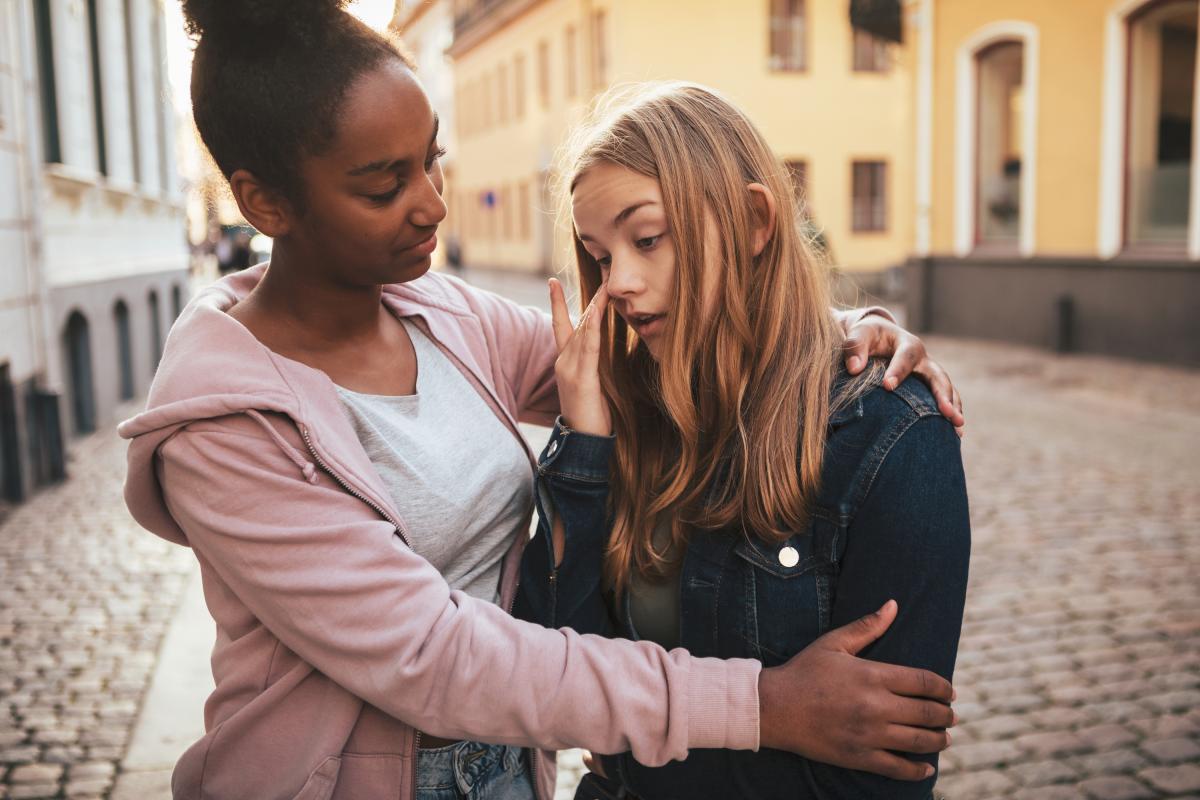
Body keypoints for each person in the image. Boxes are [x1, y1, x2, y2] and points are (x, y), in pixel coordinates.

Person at [120, 3, 965, 798]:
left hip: (511, 769)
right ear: (265, 201)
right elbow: (441, 659)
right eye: (384, 185)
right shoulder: (223, 430)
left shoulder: (446, 318)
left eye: (432, 159)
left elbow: (656, 337)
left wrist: (847, 328)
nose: (432, 204)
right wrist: (762, 703)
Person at [514, 83, 971, 799]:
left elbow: (881, 771)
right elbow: (554, 671)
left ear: (755, 222)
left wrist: (642, 754)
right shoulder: (625, 419)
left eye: (647, 239)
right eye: (600, 257)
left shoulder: (892, 432)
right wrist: (586, 446)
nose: (620, 284)